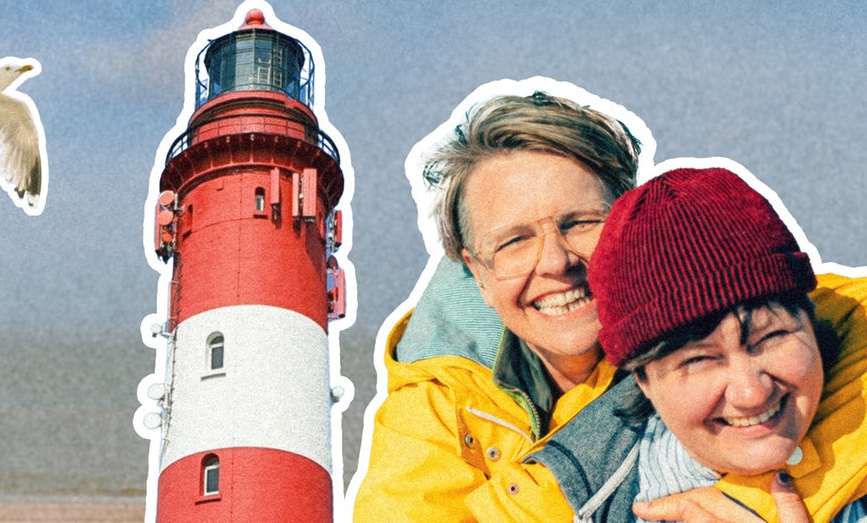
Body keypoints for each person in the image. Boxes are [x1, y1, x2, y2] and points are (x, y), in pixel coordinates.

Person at [350, 84, 865, 521]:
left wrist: (749, 500)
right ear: (477, 274)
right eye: (513, 242)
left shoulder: (732, 297)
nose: (554, 262)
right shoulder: (434, 400)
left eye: (579, 223)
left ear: (628, 226)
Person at [528, 166, 867, 522]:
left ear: (811, 322)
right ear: (642, 380)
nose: (751, 393)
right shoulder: (591, 500)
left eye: (771, 338)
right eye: (699, 361)